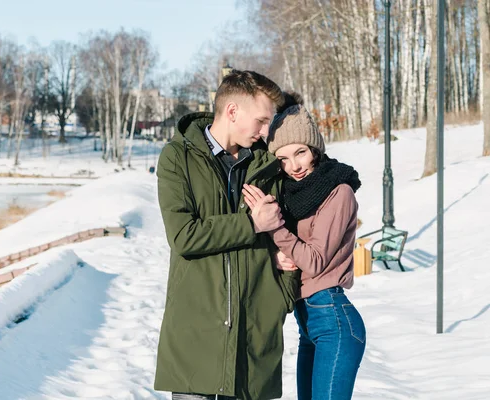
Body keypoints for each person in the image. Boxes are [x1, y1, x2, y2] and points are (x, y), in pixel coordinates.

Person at [154, 70, 301, 400]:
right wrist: (251, 225)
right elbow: (184, 237)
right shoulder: (177, 158)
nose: (266, 132)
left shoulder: (268, 165)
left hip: (254, 344)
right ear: (233, 111)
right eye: (262, 121)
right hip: (196, 342)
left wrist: (285, 286)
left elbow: (295, 230)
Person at [242, 93, 366, 400]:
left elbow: (313, 260)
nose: (294, 165)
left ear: (314, 148)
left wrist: (274, 227)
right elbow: (289, 251)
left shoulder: (339, 192)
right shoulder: (290, 193)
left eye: (300, 152)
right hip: (307, 325)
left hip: (335, 324)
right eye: (283, 158)